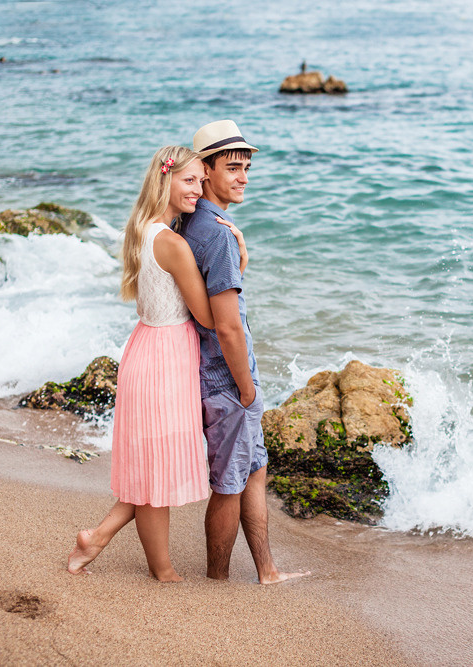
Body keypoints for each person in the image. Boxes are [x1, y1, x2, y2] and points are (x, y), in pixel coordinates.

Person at [67, 146, 216, 582]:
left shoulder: (143, 229)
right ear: (165, 179)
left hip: (146, 347)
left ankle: (96, 539)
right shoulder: (172, 243)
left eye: (201, 181)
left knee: (153, 466)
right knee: (156, 470)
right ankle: (160, 570)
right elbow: (207, 316)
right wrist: (238, 260)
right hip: (166, 357)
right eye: (189, 180)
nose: (198, 189)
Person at [179, 119, 309, 584]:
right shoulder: (215, 233)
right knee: (230, 484)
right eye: (233, 167)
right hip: (227, 377)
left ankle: (267, 570)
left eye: (247, 168)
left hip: (218, 372)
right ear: (206, 170)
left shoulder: (194, 222)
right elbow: (228, 325)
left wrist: (241, 256)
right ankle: (217, 580)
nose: (243, 178)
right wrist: (247, 388)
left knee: (255, 469)